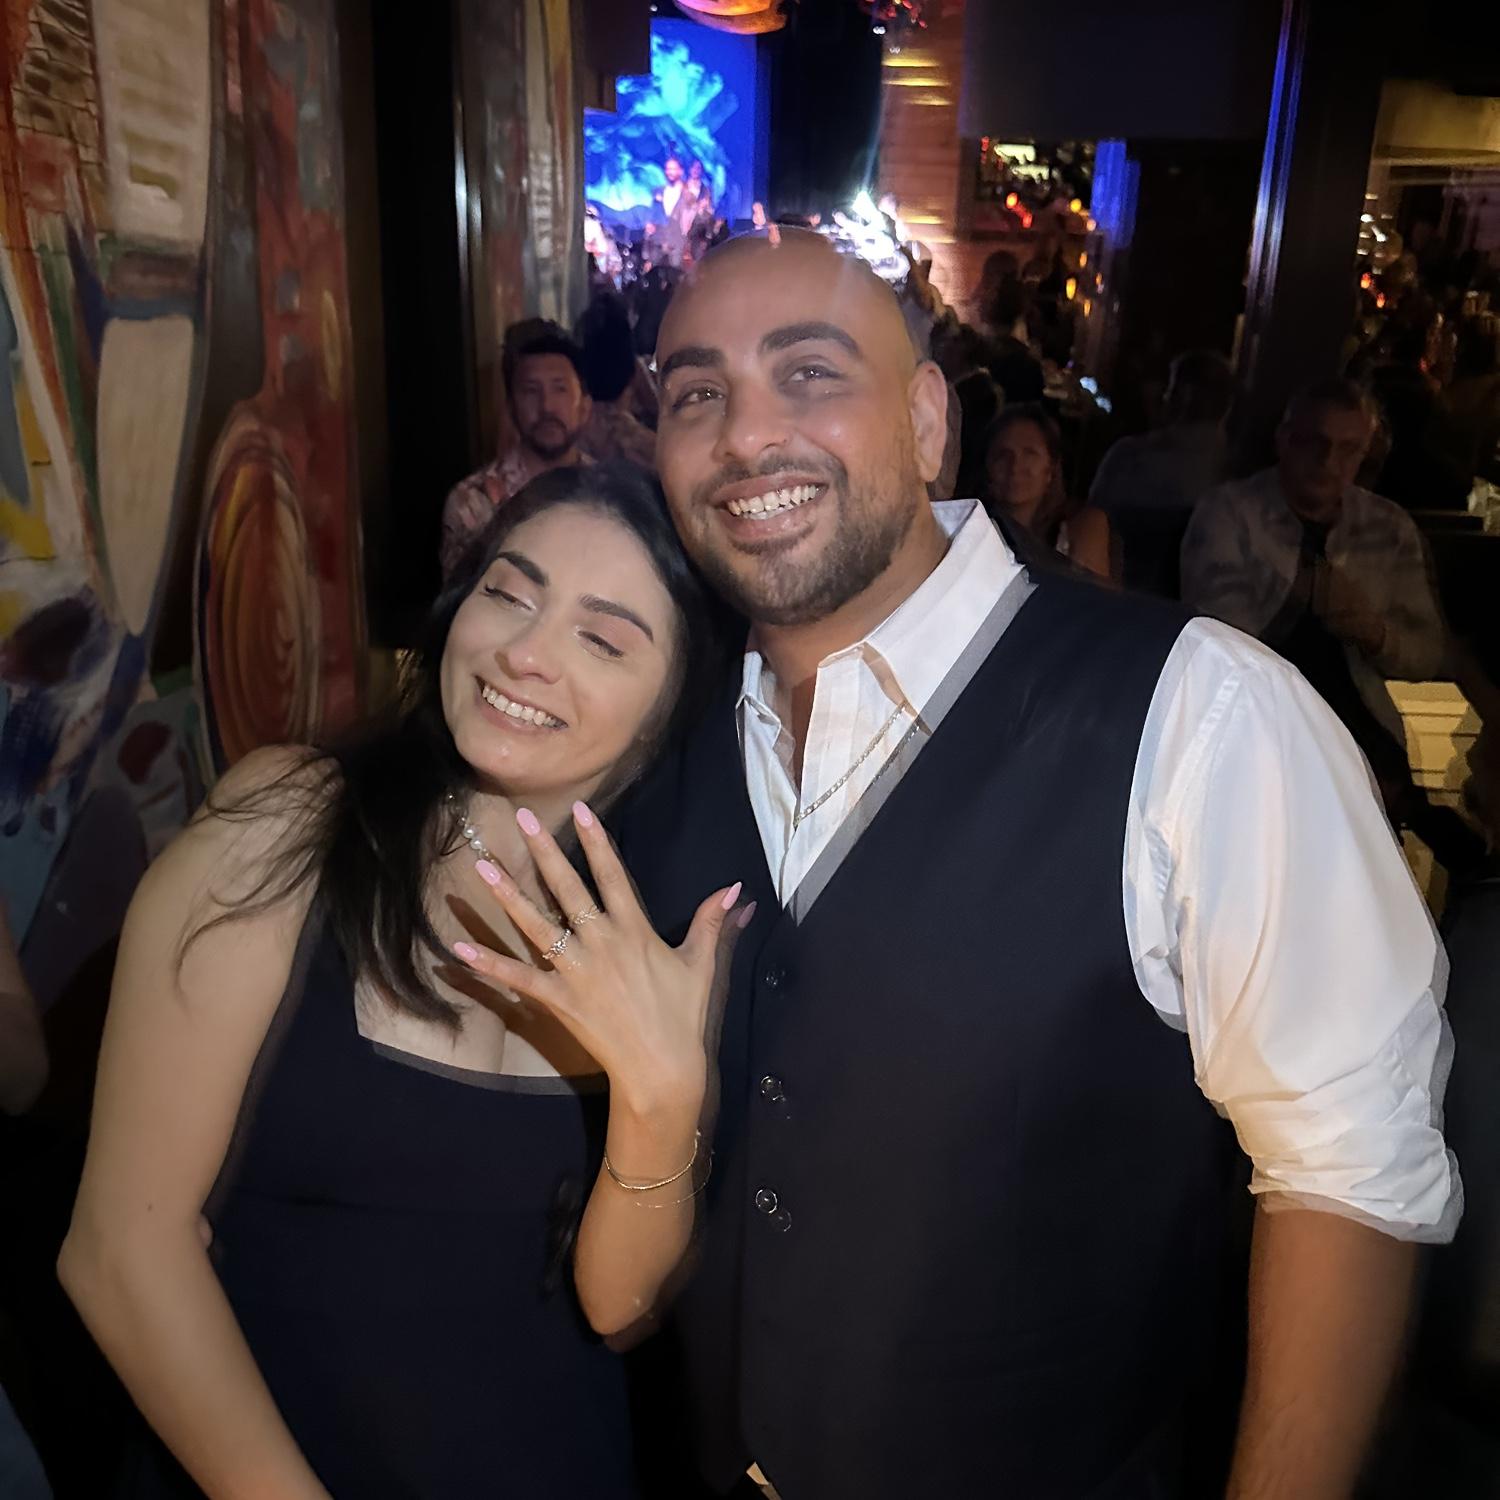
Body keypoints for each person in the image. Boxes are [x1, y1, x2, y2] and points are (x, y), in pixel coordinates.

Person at [502, 230, 1458, 1499]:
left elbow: (1350, 1175)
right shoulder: (670, 739)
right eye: (696, 395)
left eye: (809, 372)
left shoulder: (1198, 712)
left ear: (926, 421)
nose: (746, 435)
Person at [59, 464, 743, 1499]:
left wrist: (663, 1096)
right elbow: (120, 1250)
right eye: (508, 593)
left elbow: (622, 1313)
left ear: (670, 708)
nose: (524, 651)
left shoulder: (665, 936)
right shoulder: (293, 824)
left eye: (602, 640)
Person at [1181, 380, 1484, 875]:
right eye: (1314, 443)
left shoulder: (1387, 528)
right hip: (1258, 720)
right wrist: (1303, 592)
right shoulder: (1231, 514)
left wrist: (1373, 632)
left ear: (1366, 454)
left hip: (1361, 724)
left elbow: (1429, 654)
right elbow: (1217, 641)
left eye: (1348, 450)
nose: (1328, 462)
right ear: (1284, 440)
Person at [439, 323, 592, 579]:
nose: (547, 406)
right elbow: (458, 598)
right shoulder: (473, 502)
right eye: (531, 391)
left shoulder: (610, 490)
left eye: (560, 389)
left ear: (585, 407)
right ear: (511, 407)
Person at [985, 403, 1113, 580]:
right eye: (1003, 454)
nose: (1015, 466)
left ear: (1051, 468)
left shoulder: (1081, 527)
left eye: (1030, 453)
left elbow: (1091, 594)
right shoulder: (970, 528)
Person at [575, 292, 658, 470]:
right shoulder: (632, 364)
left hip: (585, 433)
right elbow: (656, 407)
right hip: (621, 434)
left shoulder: (577, 364)